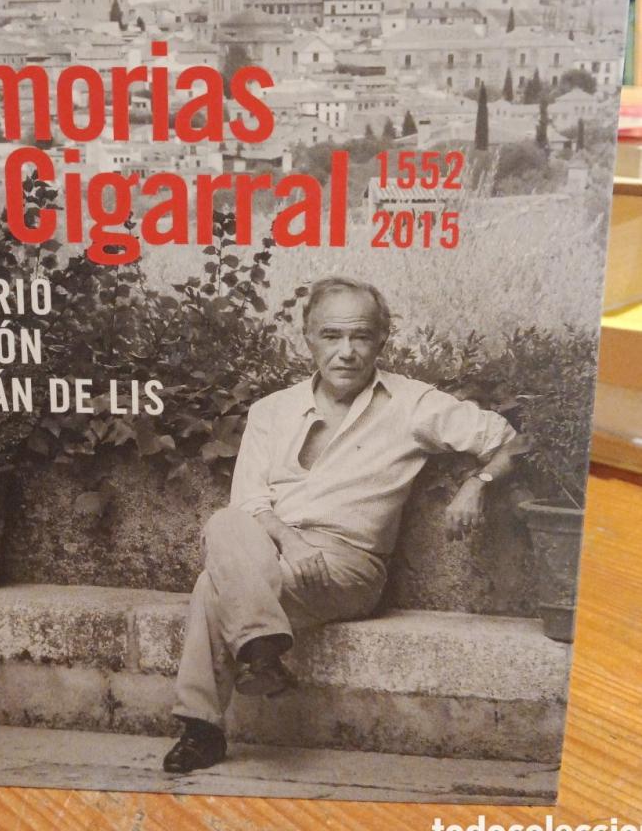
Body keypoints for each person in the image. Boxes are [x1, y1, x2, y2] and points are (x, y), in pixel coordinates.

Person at [162, 274, 518, 774]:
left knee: (211, 584)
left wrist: (478, 483)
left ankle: (207, 723)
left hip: (348, 566)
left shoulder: (413, 404)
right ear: (308, 338)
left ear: (381, 340)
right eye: (331, 336)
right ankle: (261, 648)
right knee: (225, 521)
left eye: (360, 336)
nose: (346, 352)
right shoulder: (272, 411)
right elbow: (250, 501)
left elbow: (512, 442)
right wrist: (291, 543)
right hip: (270, 548)